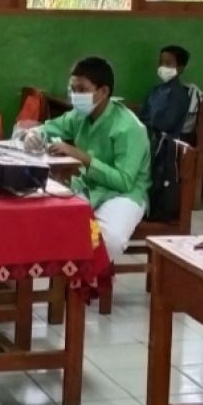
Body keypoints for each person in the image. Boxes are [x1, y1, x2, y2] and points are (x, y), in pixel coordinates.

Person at [31, 57, 151, 261]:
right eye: (72, 89)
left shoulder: (128, 128)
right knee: (46, 216)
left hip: (124, 194)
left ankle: (89, 286)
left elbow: (124, 181)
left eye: (81, 89)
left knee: (108, 238)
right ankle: (65, 285)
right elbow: (51, 128)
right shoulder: (80, 115)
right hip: (88, 185)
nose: (75, 96)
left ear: (103, 92)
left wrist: (82, 157)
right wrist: (34, 136)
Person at [139, 45, 192, 137]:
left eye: (168, 63)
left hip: (164, 144)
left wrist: (147, 124)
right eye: (161, 63)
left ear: (180, 68)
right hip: (146, 137)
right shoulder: (154, 91)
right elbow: (142, 114)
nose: (163, 67)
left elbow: (167, 124)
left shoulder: (179, 95)